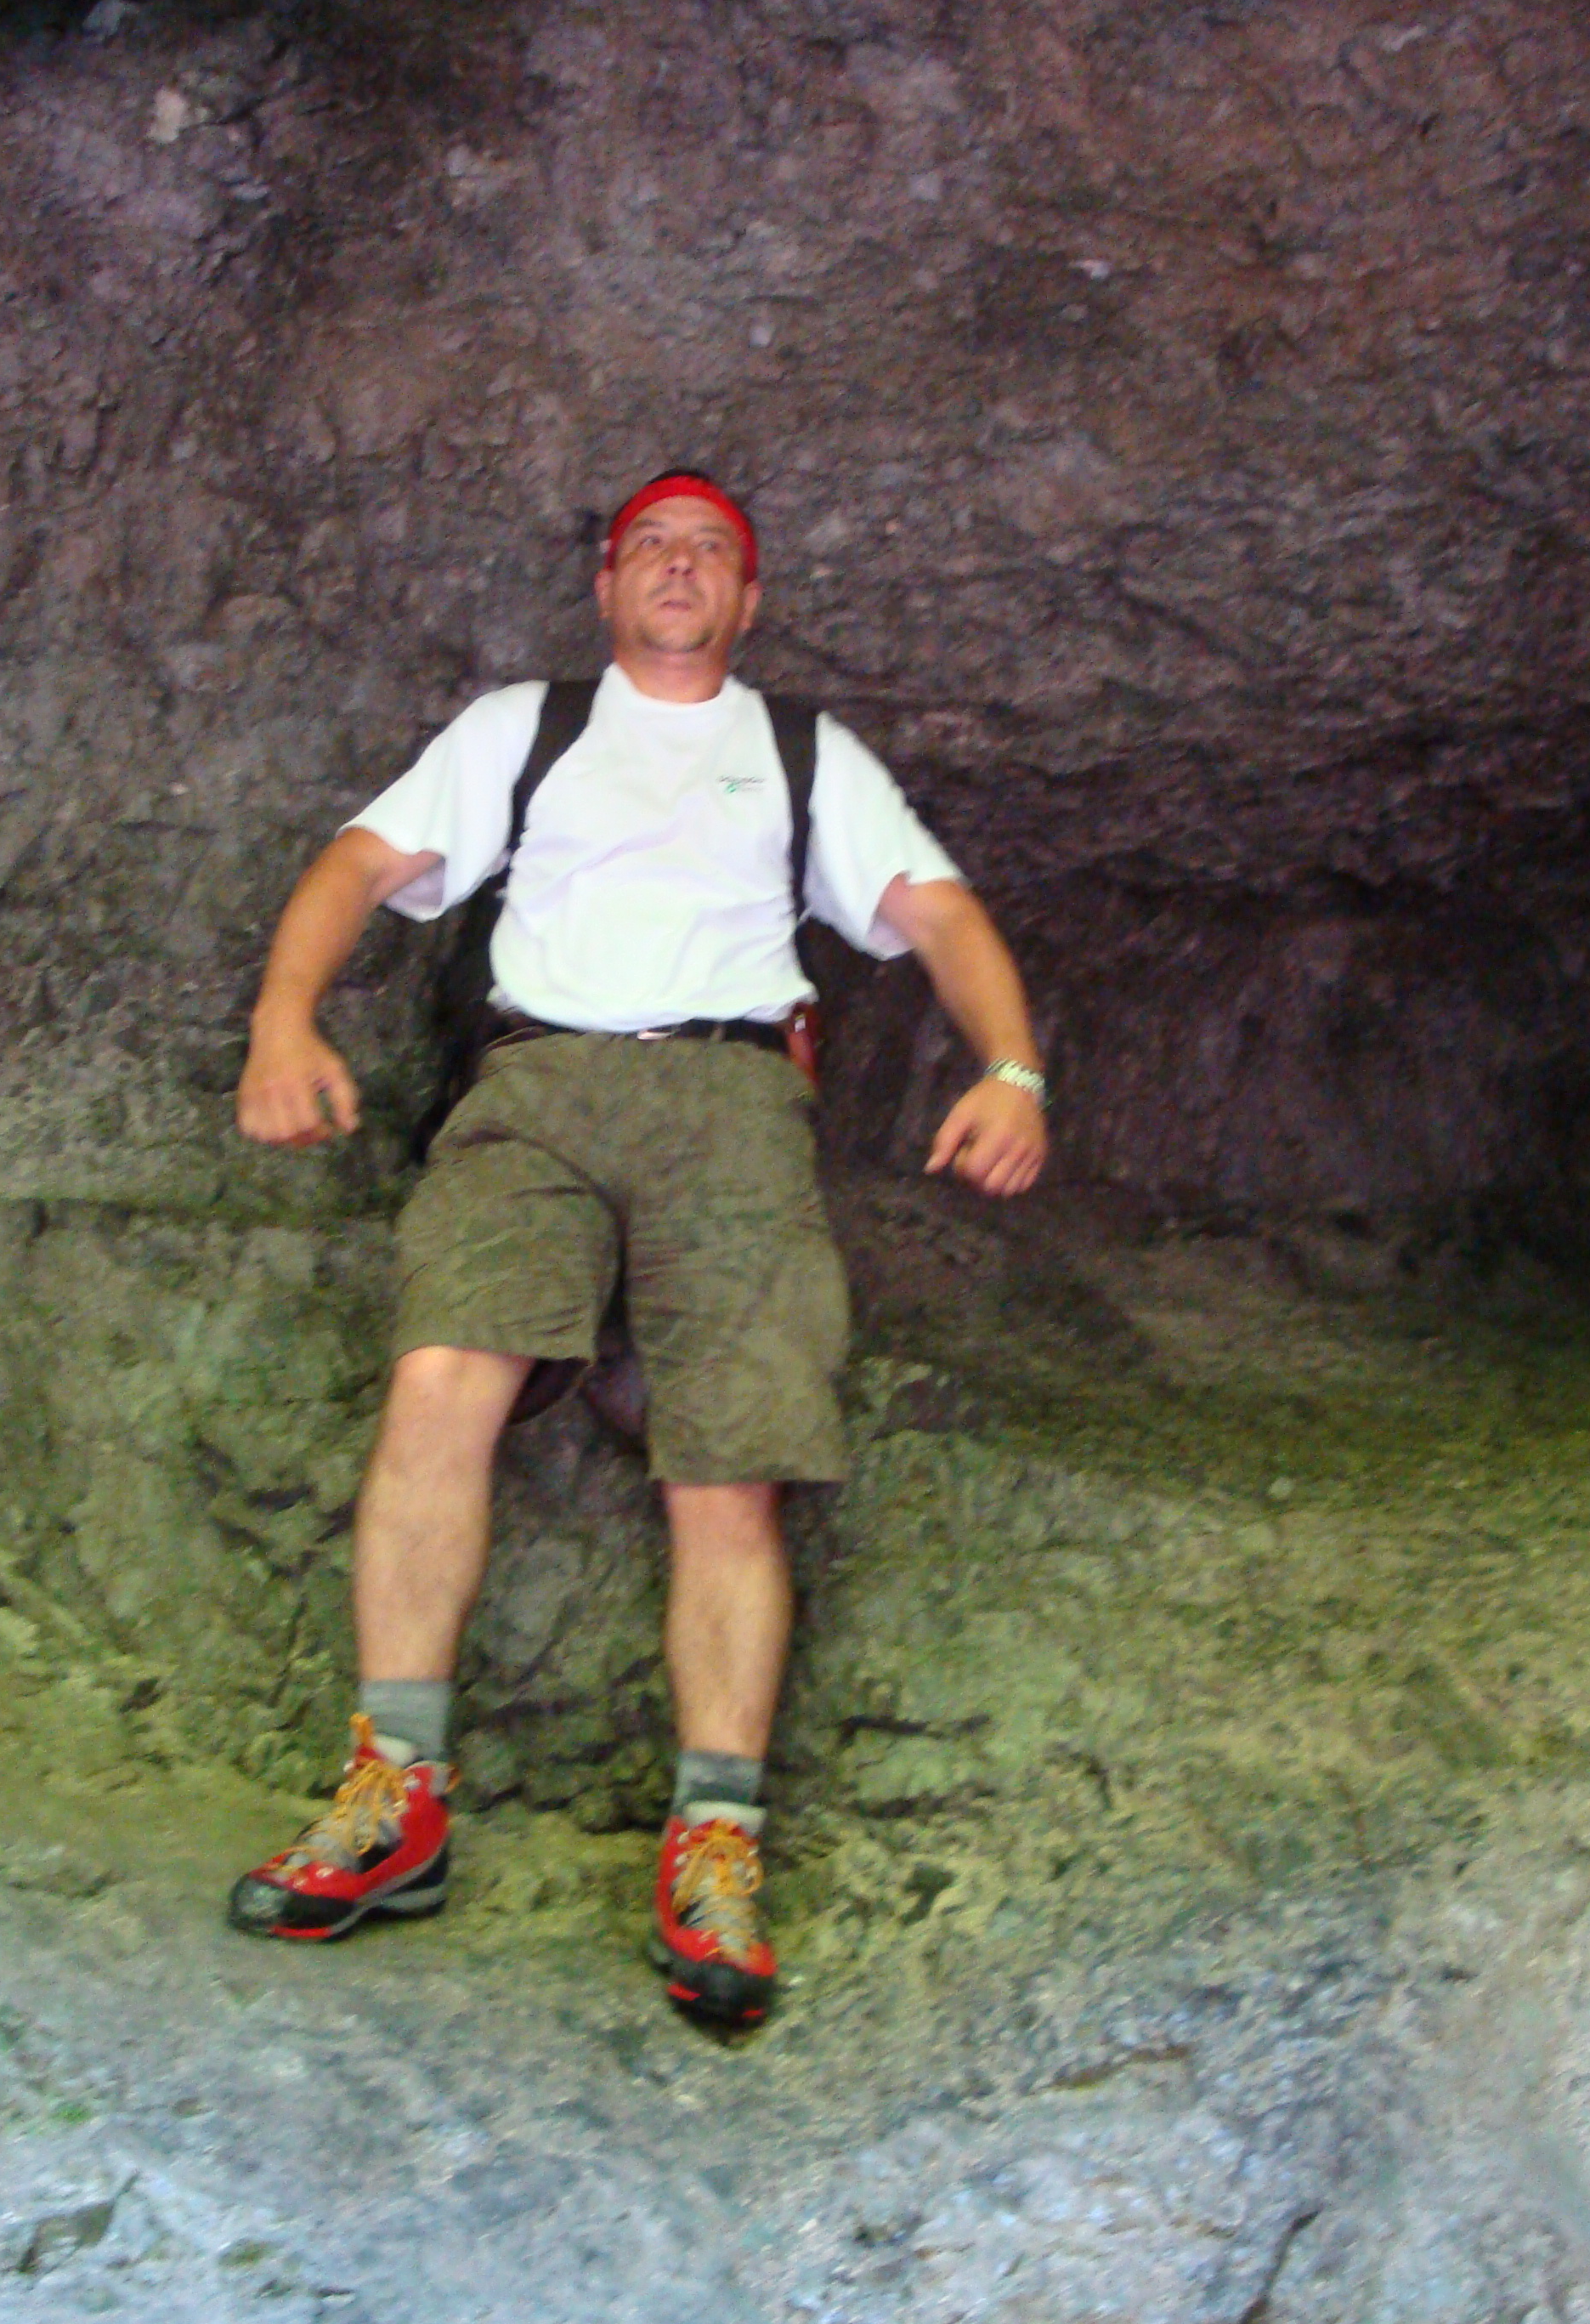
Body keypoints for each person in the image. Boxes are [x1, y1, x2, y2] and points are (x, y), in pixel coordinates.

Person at [224, 469, 1047, 2025]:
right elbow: (356, 865)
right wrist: (283, 1017)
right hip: (536, 1082)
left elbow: (940, 914)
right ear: (607, 589)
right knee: (439, 1382)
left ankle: (716, 1842)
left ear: (750, 598)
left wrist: (1014, 1070)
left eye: (710, 550)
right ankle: (394, 1793)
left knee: (730, 1459)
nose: (679, 566)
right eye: (650, 547)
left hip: (731, 1098)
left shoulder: (802, 753)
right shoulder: (524, 730)